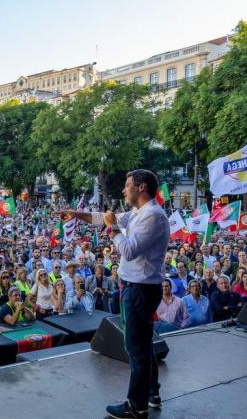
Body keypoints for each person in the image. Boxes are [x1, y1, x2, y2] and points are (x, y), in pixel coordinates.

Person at [62, 169, 169, 418]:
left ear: (141, 187)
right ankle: (151, 391)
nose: (123, 189)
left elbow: (129, 251)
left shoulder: (152, 216)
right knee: (142, 343)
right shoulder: (138, 213)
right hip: (137, 287)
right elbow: (104, 218)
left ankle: (136, 405)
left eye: (127, 184)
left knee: (135, 348)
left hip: (140, 289)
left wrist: (112, 230)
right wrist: (77, 214)